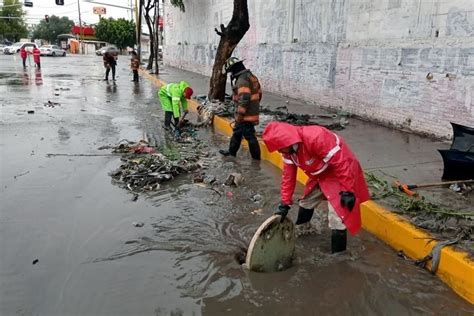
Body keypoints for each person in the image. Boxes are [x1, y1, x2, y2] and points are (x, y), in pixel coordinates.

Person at [262, 121, 370, 253]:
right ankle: (303, 230)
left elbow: (341, 163)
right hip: (321, 174)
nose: (279, 151)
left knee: (337, 217)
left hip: (340, 173)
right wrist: (285, 203)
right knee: (306, 202)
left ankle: (339, 256)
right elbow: (288, 177)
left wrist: (348, 190)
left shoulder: (316, 137)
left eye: (279, 148)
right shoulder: (289, 152)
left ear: (287, 142)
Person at [219, 57, 262, 160]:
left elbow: (244, 98)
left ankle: (256, 160)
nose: (230, 74)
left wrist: (240, 114)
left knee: (250, 136)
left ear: (234, 69)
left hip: (245, 114)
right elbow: (259, 94)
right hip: (250, 111)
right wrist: (254, 106)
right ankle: (231, 152)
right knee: (237, 133)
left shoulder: (242, 80)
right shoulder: (251, 76)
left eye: (230, 71)